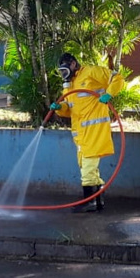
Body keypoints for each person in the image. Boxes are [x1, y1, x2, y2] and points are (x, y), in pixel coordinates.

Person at [50, 53, 125, 212]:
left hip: (94, 131)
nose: (64, 74)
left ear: (73, 63)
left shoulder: (91, 72)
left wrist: (109, 94)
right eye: (61, 72)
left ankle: (88, 201)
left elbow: (117, 78)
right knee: (87, 166)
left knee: (88, 169)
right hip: (81, 135)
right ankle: (97, 201)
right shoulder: (69, 85)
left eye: (65, 70)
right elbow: (70, 109)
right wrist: (59, 108)